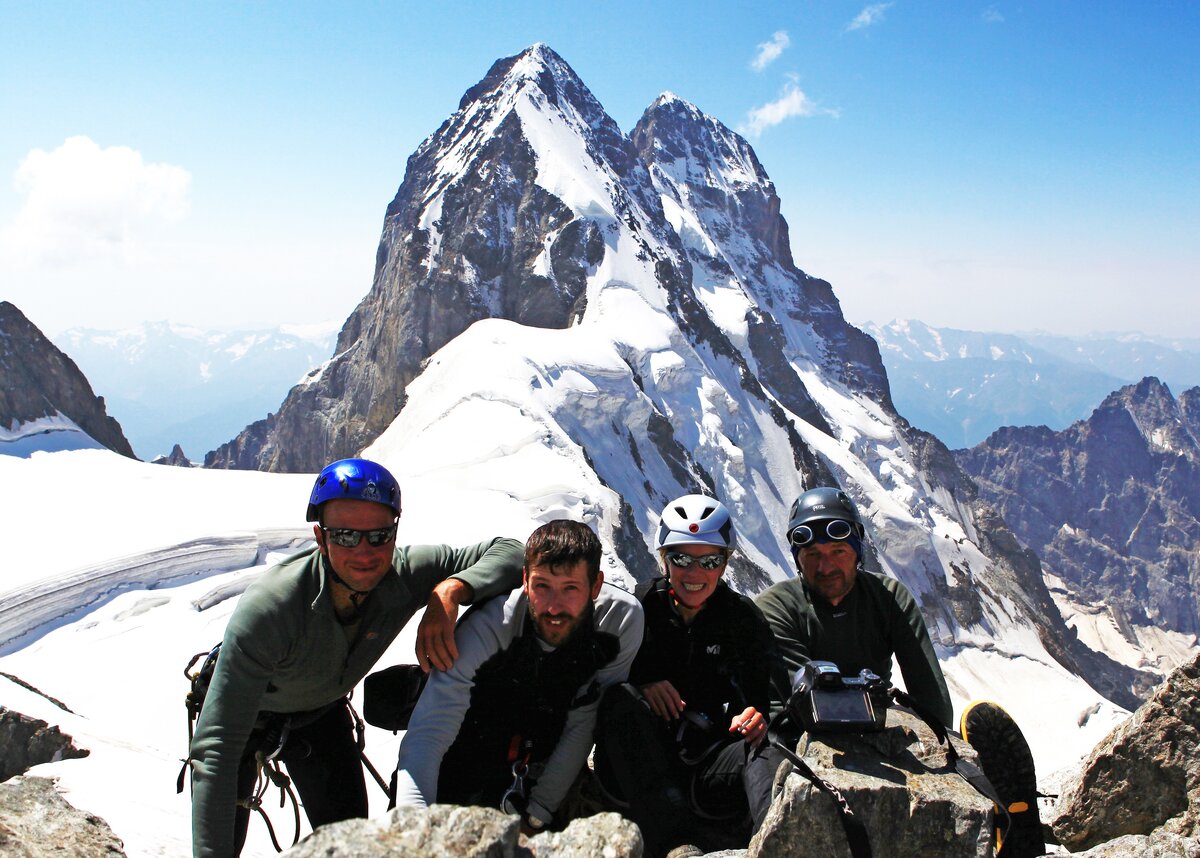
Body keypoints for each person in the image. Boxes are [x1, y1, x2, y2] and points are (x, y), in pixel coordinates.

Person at [187, 458, 525, 858]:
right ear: (320, 537)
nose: (364, 552)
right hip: (250, 719)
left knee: (351, 845)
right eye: (345, 536)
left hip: (319, 716)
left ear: (394, 533)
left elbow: (512, 552)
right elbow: (219, 747)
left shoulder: (406, 574)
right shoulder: (271, 609)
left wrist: (450, 591)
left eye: (379, 535)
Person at [392, 519, 643, 834]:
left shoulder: (620, 621)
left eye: (570, 589)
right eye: (542, 586)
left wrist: (537, 813)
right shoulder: (492, 626)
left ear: (595, 586)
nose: (553, 607)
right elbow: (429, 734)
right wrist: (414, 830)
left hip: (541, 763)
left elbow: (586, 716)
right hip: (465, 758)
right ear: (525, 580)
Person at [593, 494, 776, 858]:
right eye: (681, 559)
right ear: (664, 560)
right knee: (621, 702)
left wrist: (756, 716)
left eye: (709, 560)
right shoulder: (642, 607)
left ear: (725, 564)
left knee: (766, 747)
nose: (694, 574)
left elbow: (766, 696)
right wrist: (643, 684)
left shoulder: (742, 621)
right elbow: (604, 683)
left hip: (709, 762)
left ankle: (775, 838)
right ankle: (674, 842)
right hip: (641, 763)